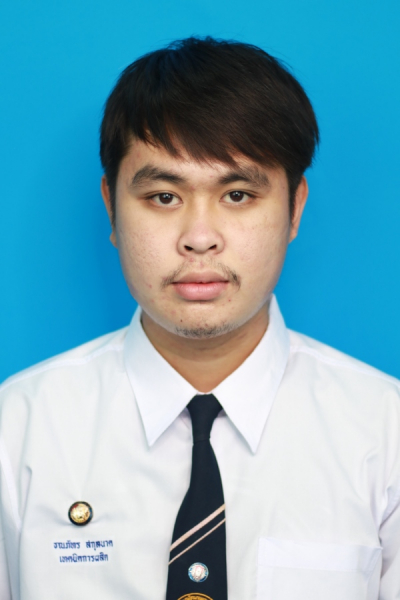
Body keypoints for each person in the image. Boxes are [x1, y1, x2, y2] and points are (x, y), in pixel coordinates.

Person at [0, 36, 399, 600]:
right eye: (164, 197)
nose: (199, 238)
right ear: (112, 208)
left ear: (294, 208)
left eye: (237, 195)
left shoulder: (386, 435)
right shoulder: (16, 432)